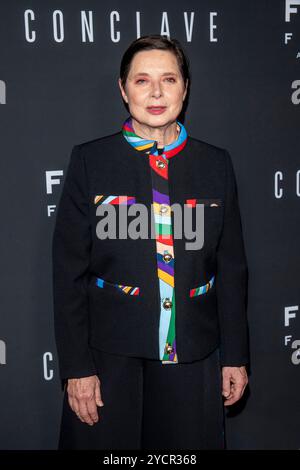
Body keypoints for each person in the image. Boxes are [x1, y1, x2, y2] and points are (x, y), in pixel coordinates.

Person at [52, 34, 249, 450]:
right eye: (142, 81)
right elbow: (68, 272)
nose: (156, 92)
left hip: (193, 357)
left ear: (185, 88)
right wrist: (77, 367)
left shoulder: (217, 164)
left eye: (169, 79)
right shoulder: (91, 161)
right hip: (108, 360)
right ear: (123, 90)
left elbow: (231, 269)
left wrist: (235, 355)